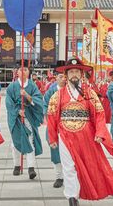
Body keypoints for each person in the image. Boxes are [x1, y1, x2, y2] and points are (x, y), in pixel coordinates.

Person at [47, 57, 113, 206]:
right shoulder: (58, 95)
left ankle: (84, 191)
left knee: (87, 165)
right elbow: (51, 116)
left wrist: (100, 133)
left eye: (77, 71)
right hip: (65, 135)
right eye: (71, 72)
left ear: (82, 74)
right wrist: (52, 138)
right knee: (68, 166)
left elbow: (100, 114)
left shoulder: (90, 93)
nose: (74, 74)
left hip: (86, 135)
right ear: (66, 75)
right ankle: (71, 196)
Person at [6, 60, 43, 179]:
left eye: (25, 69)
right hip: (16, 118)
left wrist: (27, 95)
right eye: (21, 69)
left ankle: (31, 167)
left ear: (29, 72)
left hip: (29, 117)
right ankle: (17, 165)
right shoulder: (12, 86)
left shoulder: (32, 86)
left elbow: (38, 100)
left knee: (30, 140)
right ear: (17, 72)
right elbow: (8, 103)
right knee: (15, 142)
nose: (23, 72)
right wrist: (17, 111)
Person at [43, 60, 65, 188]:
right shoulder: (51, 91)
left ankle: (69, 175)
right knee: (55, 151)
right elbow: (45, 106)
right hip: (54, 126)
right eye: (60, 76)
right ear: (56, 77)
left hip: (69, 126)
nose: (63, 79)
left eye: (64, 76)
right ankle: (59, 176)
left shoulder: (72, 90)